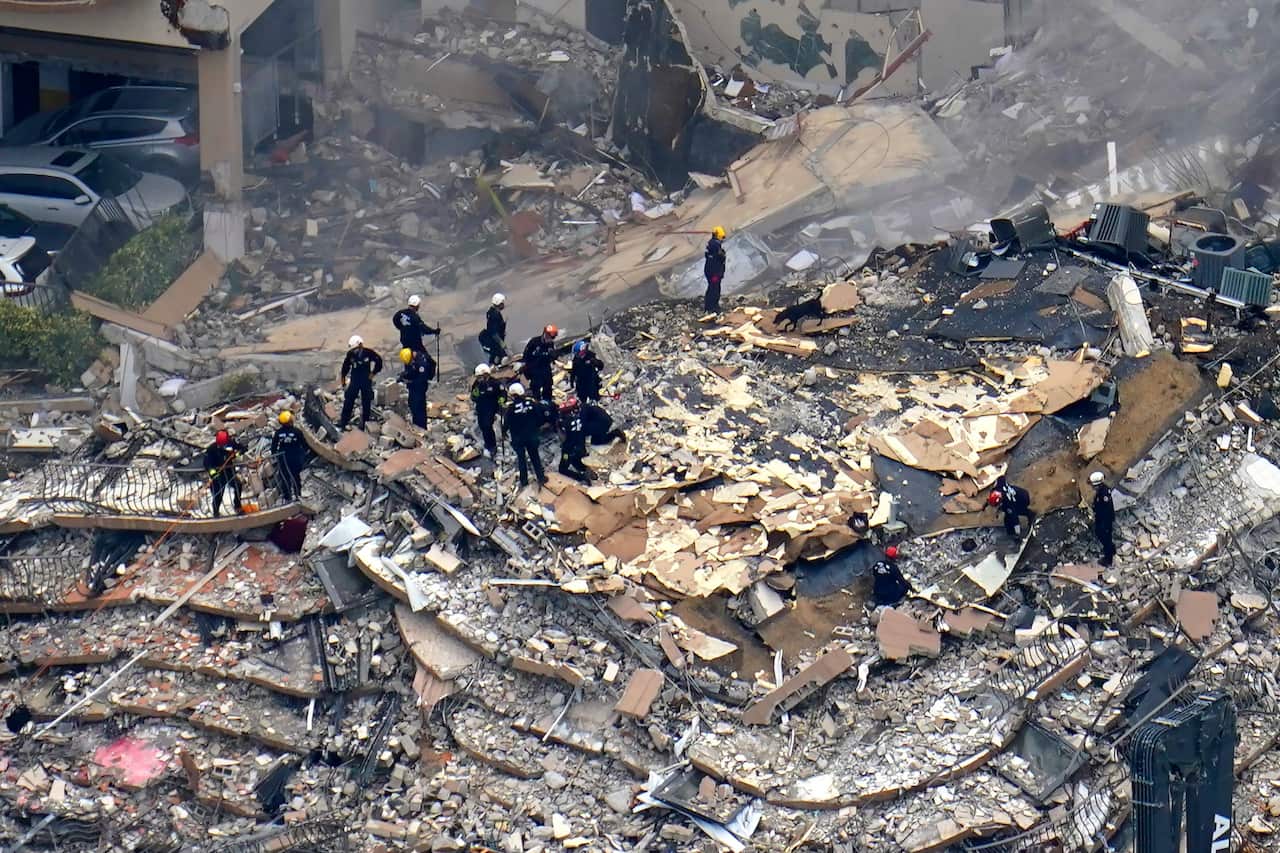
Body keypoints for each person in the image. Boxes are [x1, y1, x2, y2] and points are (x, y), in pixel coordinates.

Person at [503, 382, 548, 488]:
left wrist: (504, 431)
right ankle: (541, 478)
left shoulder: (511, 408)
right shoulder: (531, 404)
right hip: (531, 436)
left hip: (518, 438)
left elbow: (506, 423)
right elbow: (540, 416)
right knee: (535, 457)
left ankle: (524, 481)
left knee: (521, 459)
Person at [339, 335, 383, 430]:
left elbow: (379, 361)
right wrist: (343, 381)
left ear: (361, 345)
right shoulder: (350, 354)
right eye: (353, 349)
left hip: (366, 381)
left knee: (366, 402)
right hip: (355, 381)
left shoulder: (368, 353)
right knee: (349, 400)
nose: (354, 351)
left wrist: (373, 373)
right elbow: (345, 368)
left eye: (356, 349)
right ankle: (343, 422)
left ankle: (365, 424)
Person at [204, 429, 245, 517]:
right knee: (218, 494)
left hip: (229, 472)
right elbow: (207, 463)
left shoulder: (231, 443)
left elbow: (242, 448)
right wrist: (213, 472)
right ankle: (216, 512)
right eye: (221, 444)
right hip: (218, 475)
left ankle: (237, 506)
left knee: (238, 485)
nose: (223, 446)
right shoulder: (212, 449)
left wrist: (236, 454)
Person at [470, 363, 505, 458]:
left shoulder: (495, 383)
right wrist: (474, 395)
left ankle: (492, 446)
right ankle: (487, 443)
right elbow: (473, 396)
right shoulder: (477, 385)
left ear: (486, 375)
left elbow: (502, 393)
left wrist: (501, 400)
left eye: (480, 377)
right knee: (482, 426)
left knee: (487, 425)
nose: (479, 379)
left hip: (491, 408)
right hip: (481, 408)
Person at [270, 411, 307, 501]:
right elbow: (304, 445)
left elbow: (273, 448)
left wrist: (275, 457)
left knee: (285, 478)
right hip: (295, 458)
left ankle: (287, 497)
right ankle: (298, 495)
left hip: (283, 459)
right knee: (296, 477)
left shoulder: (278, 433)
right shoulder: (297, 432)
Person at [557, 397, 593, 484]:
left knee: (562, 469)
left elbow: (564, 437)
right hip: (580, 446)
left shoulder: (564, 422)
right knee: (575, 461)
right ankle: (586, 470)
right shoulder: (577, 418)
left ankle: (581, 477)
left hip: (569, 449)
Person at [522, 324, 559, 403]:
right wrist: (527, 371)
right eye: (551, 337)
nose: (552, 339)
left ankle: (547, 402)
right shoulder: (534, 342)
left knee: (548, 386)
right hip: (535, 370)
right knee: (536, 389)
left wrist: (553, 355)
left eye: (553, 338)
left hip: (545, 369)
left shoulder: (550, 345)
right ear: (545, 334)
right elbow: (526, 356)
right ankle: (537, 403)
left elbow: (553, 357)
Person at [399, 347, 435, 428]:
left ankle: (421, 426)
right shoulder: (413, 358)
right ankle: (415, 424)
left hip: (420, 386)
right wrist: (403, 376)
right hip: (414, 386)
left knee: (419, 407)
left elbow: (422, 378)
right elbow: (412, 370)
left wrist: (410, 382)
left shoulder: (422, 362)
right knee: (412, 404)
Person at [1090, 471, 1116, 567]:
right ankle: (1112, 550)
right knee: (1104, 536)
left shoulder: (1103, 493)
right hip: (1104, 518)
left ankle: (1108, 559)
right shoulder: (1103, 490)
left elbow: (1105, 509)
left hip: (1105, 519)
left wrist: (1102, 521)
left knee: (1105, 537)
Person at [703, 225, 727, 313]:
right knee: (714, 290)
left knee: (712, 288)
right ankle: (712, 308)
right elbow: (719, 259)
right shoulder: (715, 246)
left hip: (712, 272)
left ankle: (709, 306)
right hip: (714, 273)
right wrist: (716, 275)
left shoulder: (711, 245)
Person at [479, 293, 508, 365]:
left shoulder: (492, 313)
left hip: (494, 342)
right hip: (494, 343)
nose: (504, 304)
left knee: (496, 358)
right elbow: (494, 333)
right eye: (502, 303)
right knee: (503, 359)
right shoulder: (494, 315)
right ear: (499, 303)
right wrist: (502, 343)